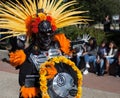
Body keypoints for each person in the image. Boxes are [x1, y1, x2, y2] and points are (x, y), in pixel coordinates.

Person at [0, 0, 88, 98]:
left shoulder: (59, 46)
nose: (46, 37)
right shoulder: (28, 55)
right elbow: (25, 83)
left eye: (49, 33)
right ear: (36, 34)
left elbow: (67, 71)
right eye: (43, 33)